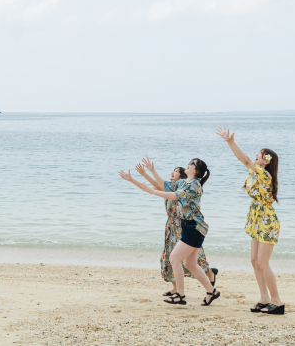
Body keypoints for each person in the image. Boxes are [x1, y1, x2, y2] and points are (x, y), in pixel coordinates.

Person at [119, 158, 220, 306]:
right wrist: (152, 171)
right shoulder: (183, 182)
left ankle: (180, 295)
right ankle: (212, 291)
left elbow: (174, 196)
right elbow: (165, 186)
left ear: (196, 170)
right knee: (190, 264)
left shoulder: (194, 185)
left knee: (174, 258)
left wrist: (153, 192)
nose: (189, 163)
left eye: (192, 163)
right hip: (188, 227)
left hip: (194, 227)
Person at [216, 126, 284, 315]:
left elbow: (244, 160)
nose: (256, 155)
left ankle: (277, 301)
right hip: (257, 218)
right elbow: (247, 162)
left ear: (266, 161)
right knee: (254, 261)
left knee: (263, 262)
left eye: (260, 154)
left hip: (267, 220)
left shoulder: (264, 174)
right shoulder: (257, 172)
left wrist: (230, 142)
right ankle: (264, 298)